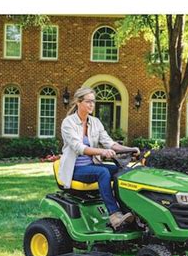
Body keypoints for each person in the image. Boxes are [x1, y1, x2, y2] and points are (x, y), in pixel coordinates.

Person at [58, 87, 140, 230]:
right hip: (75, 169)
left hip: (91, 166)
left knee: (123, 171)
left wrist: (130, 149)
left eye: (93, 102)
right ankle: (115, 216)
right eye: (88, 102)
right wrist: (102, 152)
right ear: (79, 102)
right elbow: (79, 147)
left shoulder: (95, 122)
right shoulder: (68, 123)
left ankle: (128, 211)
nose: (92, 105)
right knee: (103, 172)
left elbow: (110, 143)